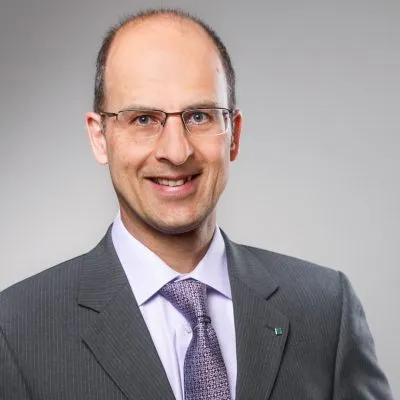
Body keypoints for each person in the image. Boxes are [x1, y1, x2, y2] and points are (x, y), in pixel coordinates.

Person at [0, 8, 394, 400]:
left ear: (233, 134)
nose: (176, 151)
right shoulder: (17, 331)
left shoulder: (326, 310)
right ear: (99, 138)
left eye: (200, 116)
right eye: (143, 119)